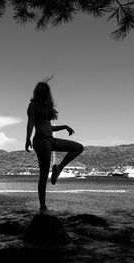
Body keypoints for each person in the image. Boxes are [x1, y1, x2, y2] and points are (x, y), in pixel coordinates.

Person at [25, 81, 84, 214]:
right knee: (44, 175)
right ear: (39, 92)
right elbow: (31, 123)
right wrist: (27, 138)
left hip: (50, 139)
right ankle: (43, 207)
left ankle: (59, 168)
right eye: (43, 90)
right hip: (41, 140)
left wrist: (64, 126)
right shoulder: (32, 106)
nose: (45, 93)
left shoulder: (47, 108)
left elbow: (48, 127)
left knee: (78, 147)